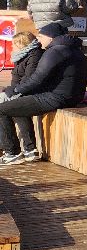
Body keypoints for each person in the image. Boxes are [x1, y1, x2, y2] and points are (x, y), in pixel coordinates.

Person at [0, 21, 87, 163]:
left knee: (2, 110)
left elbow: (37, 79)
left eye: (41, 36)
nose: (38, 40)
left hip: (55, 97)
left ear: (51, 37)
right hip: (70, 96)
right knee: (17, 104)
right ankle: (29, 151)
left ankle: (12, 152)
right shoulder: (73, 49)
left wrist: (15, 90)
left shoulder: (55, 51)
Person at [0, 30, 43, 163]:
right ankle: (29, 149)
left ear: (22, 44)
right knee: (12, 103)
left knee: (9, 107)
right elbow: (16, 79)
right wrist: (9, 91)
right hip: (19, 90)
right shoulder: (21, 56)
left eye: (14, 44)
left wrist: (12, 92)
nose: (12, 47)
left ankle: (12, 151)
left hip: (32, 92)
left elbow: (29, 79)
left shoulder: (34, 56)